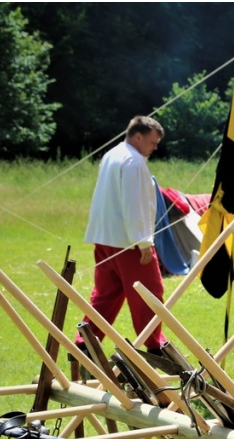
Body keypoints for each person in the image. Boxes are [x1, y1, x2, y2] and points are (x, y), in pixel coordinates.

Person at [76, 115, 169, 353]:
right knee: (150, 292)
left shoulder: (112, 154)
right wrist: (143, 241)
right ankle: (154, 344)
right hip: (128, 242)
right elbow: (134, 203)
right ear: (138, 137)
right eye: (152, 142)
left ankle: (86, 342)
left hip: (106, 238)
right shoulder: (133, 161)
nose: (155, 148)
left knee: (106, 294)